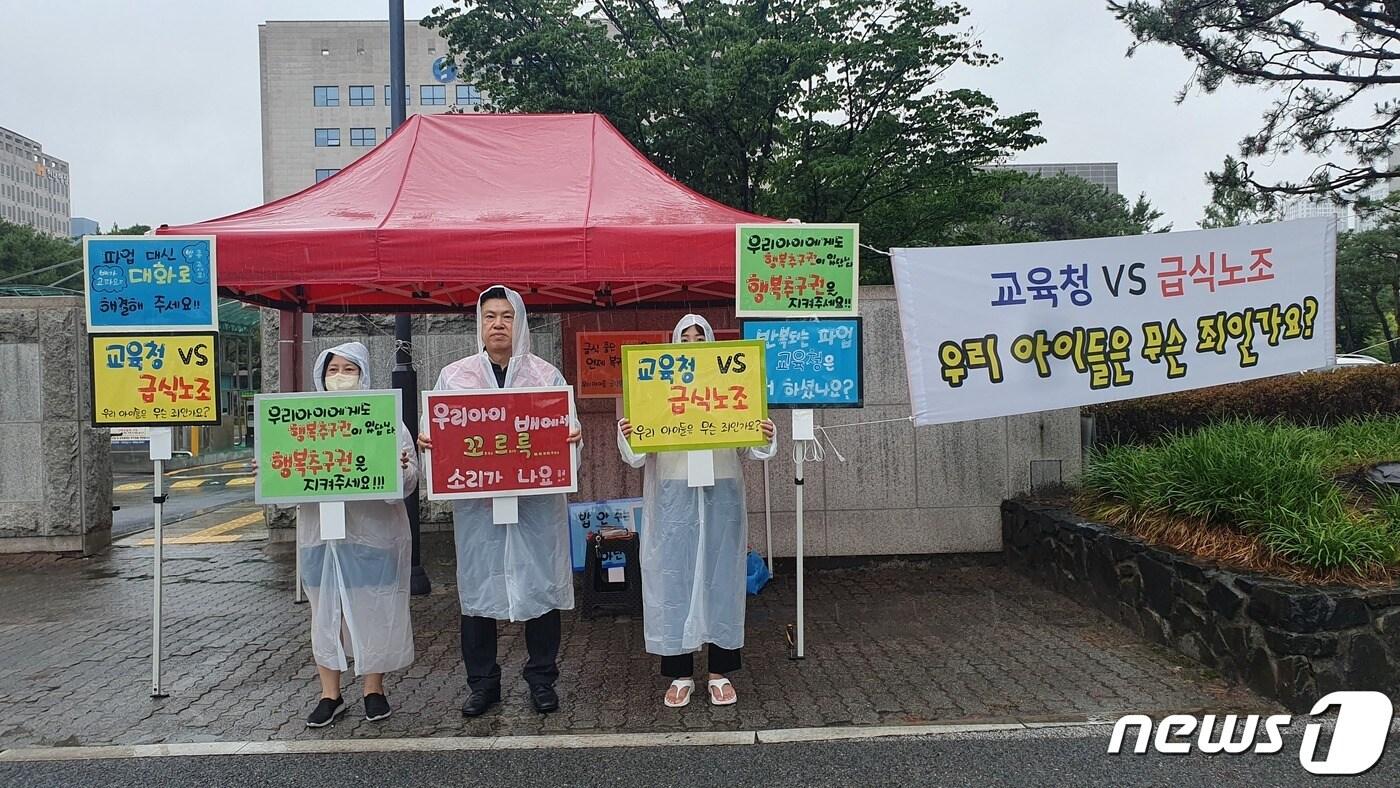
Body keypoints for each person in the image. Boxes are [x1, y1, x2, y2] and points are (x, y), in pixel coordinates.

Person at [418, 285, 581, 717]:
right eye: (490, 316)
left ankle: (542, 680)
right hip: (480, 511)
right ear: (479, 323)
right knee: (479, 593)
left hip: (534, 508)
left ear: (520, 323)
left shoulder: (546, 377)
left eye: (507, 317)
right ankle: (483, 685)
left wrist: (571, 441)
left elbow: (567, 440)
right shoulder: (454, 377)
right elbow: (435, 438)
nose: (498, 325)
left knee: (540, 591)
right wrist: (429, 442)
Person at [617, 314, 777, 708]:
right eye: (684, 337)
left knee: (721, 578)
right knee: (674, 580)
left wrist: (765, 433)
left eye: (700, 336)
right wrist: (629, 435)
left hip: (721, 496)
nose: (692, 342)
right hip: (673, 500)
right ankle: (680, 673)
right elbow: (637, 458)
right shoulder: (656, 392)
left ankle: (720, 671)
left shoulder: (733, 388)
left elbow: (753, 449)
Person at [297, 341, 418, 728]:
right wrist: (267, 469)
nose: (340, 377)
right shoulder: (301, 423)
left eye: (349, 369)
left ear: (364, 375)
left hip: (372, 537)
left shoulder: (388, 422)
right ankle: (329, 695)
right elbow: (284, 478)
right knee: (325, 614)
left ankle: (373, 689)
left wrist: (401, 469)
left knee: (373, 609)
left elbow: (410, 479)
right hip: (321, 539)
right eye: (333, 370)